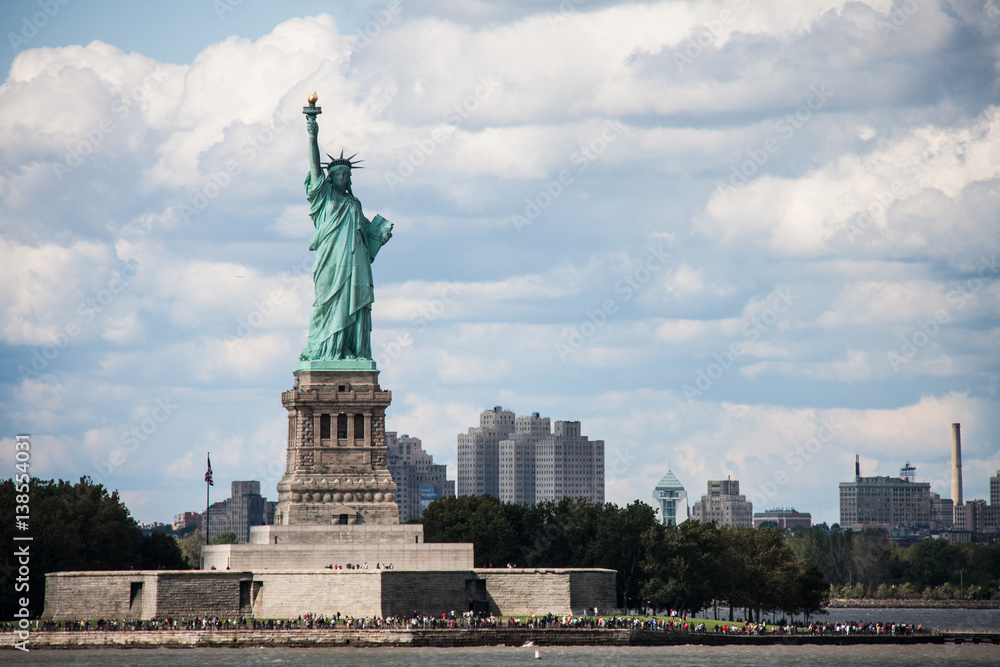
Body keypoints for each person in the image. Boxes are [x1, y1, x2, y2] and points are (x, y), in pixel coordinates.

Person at [300, 105, 393, 362]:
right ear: (330, 178)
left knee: (353, 302)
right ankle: (326, 350)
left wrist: (379, 238)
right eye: (337, 173)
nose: (342, 177)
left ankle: (348, 349)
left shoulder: (355, 204)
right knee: (325, 303)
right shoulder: (324, 198)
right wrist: (312, 135)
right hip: (331, 260)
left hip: (355, 261)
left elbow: (366, 242)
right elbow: (315, 168)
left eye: (346, 174)